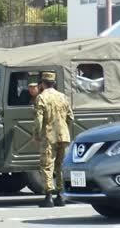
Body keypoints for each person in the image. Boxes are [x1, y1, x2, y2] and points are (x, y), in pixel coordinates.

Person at [33, 72, 74, 208]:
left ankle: (48, 196)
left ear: (43, 83)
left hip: (48, 136)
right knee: (60, 165)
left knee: (47, 165)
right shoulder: (62, 97)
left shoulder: (41, 97)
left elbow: (39, 119)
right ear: (54, 83)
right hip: (63, 136)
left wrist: (37, 135)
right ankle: (60, 195)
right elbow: (71, 117)